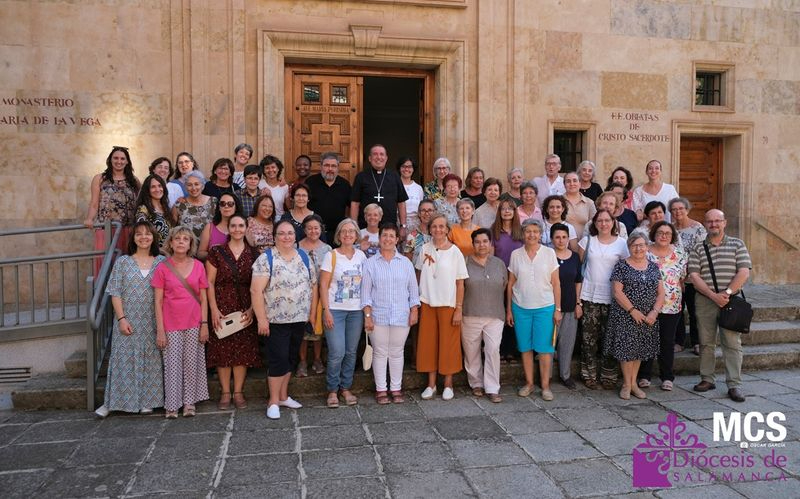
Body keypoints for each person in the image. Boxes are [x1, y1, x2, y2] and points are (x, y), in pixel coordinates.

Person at [95, 221, 165, 418]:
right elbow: (115, 292)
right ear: (133, 238)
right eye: (139, 234)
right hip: (129, 318)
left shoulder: (161, 261)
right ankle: (112, 402)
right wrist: (121, 318)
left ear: (153, 237)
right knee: (122, 359)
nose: (144, 237)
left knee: (151, 359)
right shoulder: (123, 262)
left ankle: (148, 401)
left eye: (147, 234)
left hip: (152, 319)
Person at [251, 220, 318, 419]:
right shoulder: (266, 259)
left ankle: (283, 396)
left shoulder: (304, 257)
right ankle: (272, 401)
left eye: (290, 233)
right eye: (282, 233)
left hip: (299, 318)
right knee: (278, 359)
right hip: (275, 320)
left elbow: (313, 286)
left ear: (295, 236)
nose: (286, 237)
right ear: (275, 236)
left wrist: (312, 314)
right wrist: (261, 319)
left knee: (290, 358)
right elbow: (256, 290)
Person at [687, 209, 752, 403]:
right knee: (706, 342)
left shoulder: (737, 244)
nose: (713, 224)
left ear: (724, 223)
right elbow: (694, 275)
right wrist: (713, 296)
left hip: (730, 301)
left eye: (717, 221)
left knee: (732, 344)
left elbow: (743, 272)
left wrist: (727, 293)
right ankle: (707, 379)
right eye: (710, 221)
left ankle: (734, 384)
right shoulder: (698, 247)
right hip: (705, 301)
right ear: (705, 224)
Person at [152, 225, 210, 418]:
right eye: (177, 239)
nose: (181, 242)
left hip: (194, 323)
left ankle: (189, 403)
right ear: (170, 242)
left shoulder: (199, 266)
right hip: (171, 324)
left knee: (192, 365)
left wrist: (204, 324)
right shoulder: (162, 267)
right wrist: (160, 330)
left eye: (185, 239)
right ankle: (172, 404)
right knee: (172, 366)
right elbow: (158, 301)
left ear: (190, 244)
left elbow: (204, 298)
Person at [206, 215, 261, 410]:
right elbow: (209, 283)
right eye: (233, 226)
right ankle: (225, 392)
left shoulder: (254, 253)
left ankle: (238, 392)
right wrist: (213, 309)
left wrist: (253, 309)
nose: (237, 229)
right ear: (228, 229)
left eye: (241, 225)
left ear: (246, 228)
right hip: (222, 305)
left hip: (246, 304)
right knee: (223, 350)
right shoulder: (217, 252)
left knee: (242, 351)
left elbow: (260, 284)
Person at [362, 223, 420, 404]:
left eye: (391, 236)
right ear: (379, 239)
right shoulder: (370, 263)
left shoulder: (405, 263)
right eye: (384, 235)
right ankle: (381, 389)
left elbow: (413, 290)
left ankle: (396, 388)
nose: (387, 239)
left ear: (397, 240)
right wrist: (368, 316)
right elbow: (366, 293)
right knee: (380, 352)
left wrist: (414, 310)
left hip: (401, 315)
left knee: (396, 352)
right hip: (377, 316)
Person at [605, 234, 664, 400]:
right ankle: (626, 384)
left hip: (647, 316)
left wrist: (654, 312)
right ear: (629, 248)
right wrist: (632, 310)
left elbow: (661, 293)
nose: (638, 248)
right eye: (634, 245)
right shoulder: (621, 266)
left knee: (638, 350)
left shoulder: (653, 267)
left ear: (647, 247)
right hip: (626, 314)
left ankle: (634, 384)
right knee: (627, 350)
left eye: (641, 245)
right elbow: (617, 291)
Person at [416, 213, 468, 401]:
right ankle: (431, 384)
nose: (438, 229)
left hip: (448, 304)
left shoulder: (455, 252)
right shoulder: (424, 249)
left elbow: (460, 283)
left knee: (449, 344)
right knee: (428, 343)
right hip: (428, 302)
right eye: (434, 226)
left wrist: (459, 308)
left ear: (447, 230)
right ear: (430, 229)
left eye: (441, 226)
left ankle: (448, 383)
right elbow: (419, 275)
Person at [507, 219, 561, 401]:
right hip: (520, 306)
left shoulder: (549, 253)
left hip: (545, 307)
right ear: (523, 234)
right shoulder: (516, 254)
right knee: (525, 348)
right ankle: (529, 383)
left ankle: (545, 386)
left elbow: (556, 283)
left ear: (540, 234)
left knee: (545, 349)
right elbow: (510, 284)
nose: (532, 235)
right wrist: (508, 309)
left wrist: (558, 309)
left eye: (535, 231)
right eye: (528, 231)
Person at [578, 209, 629, 390]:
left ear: (613, 223)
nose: (604, 224)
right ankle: (589, 374)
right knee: (588, 338)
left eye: (607, 220)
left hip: (613, 296)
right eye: (600, 220)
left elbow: (626, 269)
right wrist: (578, 301)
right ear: (595, 223)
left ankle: (609, 375)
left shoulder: (622, 244)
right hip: (589, 295)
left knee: (610, 337)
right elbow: (580, 271)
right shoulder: (586, 241)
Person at [319, 219, 367, 407]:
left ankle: (345, 388)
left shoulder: (361, 256)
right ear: (338, 235)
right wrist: (326, 310)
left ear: (356, 235)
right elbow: (322, 284)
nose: (347, 234)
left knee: (350, 351)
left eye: (351, 231)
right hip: (335, 310)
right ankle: (332, 390)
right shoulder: (331, 255)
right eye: (344, 231)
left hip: (356, 311)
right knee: (336, 351)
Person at [638, 221, 687, 391]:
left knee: (667, 341)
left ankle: (667, 376)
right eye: (660, 232)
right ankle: (644, 375)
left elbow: (682, 278)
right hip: (647, 304)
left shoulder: (680, 254)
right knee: (647, 339)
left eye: (667, 233)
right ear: (654, 234)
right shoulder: (645, 252)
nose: (664, 236)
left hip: (671, 305)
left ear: (672, 235)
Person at [462, 228, 507, 403]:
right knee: (471, 351)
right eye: (478, 242)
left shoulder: (499, 264)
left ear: (490, 243)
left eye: (485, 241)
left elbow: (503, 285)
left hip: (494, 314)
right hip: (470, 313)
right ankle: (476, 383)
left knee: (493, 350)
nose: (482, 245)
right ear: (473, 244)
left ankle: (493, 387)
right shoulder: (465, 263)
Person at [83, 146, 140, 271]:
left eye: (122, 158)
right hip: (106, 229)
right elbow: (94, 203)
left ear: (127, 162)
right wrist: (89, 219)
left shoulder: (134, 181)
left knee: (126, 263)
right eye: (116, 158)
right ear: (110, 160)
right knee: (105, 264)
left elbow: (139, 204)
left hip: (127, 229)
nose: (119, 161)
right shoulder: (100, 179)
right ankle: (104, 290)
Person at [669, 197, 706, 354]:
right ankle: (679, 341)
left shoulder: (698, 228)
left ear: (687, 210)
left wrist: (689, 274)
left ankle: (697, 341)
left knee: (694, 309)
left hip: (693, 277)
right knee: (676, 310)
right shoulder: (670, 229)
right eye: (674, 209)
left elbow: (702, 253)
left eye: (680, 209)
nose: (678, 212)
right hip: (675, 278)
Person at [296, 214, 332, 378]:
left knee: (317, 329)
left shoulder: (327, 249)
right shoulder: (296, 247)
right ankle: (302, 361)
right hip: (302, 295)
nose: (313, 231)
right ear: (304, 230)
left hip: (320, 295)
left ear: (321, 229)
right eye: (309, 228)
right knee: (302, 330)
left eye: (316, 228)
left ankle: (317, 359)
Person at [490, 199, 524, 362]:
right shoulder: (493, 231)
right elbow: (490, 256)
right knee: (502, 313)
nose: (507, 211)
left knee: (515, 313)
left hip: (519, 278)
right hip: (500, 278)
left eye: (510, 208)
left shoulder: (521, 231)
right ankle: (502, 349)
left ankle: (513, 349)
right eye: (503, 209)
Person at [551, 223, 583, 390]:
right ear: (551, 239)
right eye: (557, 237)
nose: (561, 240)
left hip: (570, 304)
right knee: (549, 343)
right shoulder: (548, 256)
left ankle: (565, 375)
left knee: (567, 343)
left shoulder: (575, 257)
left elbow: (578, 281)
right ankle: (546, 376)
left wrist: (578, 303)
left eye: (564, 237)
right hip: (550, 306)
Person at [351, 144, 408, 229]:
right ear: (370, 158)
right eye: (375, 154)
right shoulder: (361, 177)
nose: (378, 157)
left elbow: (401, 202)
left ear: (386, 158)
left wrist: (403, 226)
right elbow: (355, 203)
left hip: (389, 228)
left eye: (381, 154)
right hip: (366, 227)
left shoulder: (394, 176)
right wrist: (353, 226)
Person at [307, 151, 352, 244]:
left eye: (333, 166)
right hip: (314, 233)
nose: (330, 169)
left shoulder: (345, 185)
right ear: (321, 166)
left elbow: (353, 205)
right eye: (327, 165)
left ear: (338, 168)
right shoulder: (310, 182)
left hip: (338, 234)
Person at [172, 170, 216, 240]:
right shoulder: (179, 205)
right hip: (186, 249)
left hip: (209, 248)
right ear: (185, 187)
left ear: (202, 185)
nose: (193, 188)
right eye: (189, 185)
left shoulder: (213, 202)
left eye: (196, 184)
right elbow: (172, 230)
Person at [198, 192, 242, 261]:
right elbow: (200, 253)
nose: (226, 206)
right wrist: (215, 254)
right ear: (219, 207)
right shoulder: (210, 227)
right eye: (222, 204)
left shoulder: (243, 227)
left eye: (230, 204)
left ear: (236, 207)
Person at [135, 174, 175, 250]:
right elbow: (141, 236)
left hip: (168, 253)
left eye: (160, 186)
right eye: (153, 187)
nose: (157, 189)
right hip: (153, 254)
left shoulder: (166, 208)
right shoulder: (143, 209)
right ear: (147, 190)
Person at [563, 172, 597, 241]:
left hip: (585, 245)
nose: (572, 184)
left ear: (580, 184)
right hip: (563, 245)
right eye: (568, 181)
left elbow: (595, 224)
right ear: (564, 185)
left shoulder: (589, 203)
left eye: (575, 181)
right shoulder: (559, 202)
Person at [258, 154, 289, 221]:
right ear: (263, 170)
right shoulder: (259, 184)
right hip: (263, 217)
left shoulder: (284, 186)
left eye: (273, 167)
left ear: (278, 169)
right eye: (267, 168)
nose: (270, 170)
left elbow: (289, 207)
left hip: (279, 219)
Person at [398, 157, 424, 233]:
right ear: (399, 168)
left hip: (416, 226)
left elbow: (421, 208)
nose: (406, 169)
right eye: (403, 166)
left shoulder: (418, 188)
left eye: (409, 167)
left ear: (413, 169)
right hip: (399, 224)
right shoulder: (394, 185)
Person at [403, 199, 434, 264]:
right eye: (423, 210)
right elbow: (407, 261)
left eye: (430, 210)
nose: (426, 213)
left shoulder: (438, 234)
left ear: (434, 212)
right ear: (419, 214)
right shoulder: (412, 236)